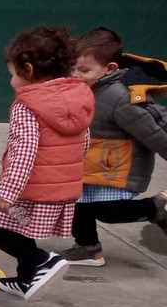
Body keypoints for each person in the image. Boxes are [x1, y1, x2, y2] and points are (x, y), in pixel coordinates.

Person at [0, 25, 94, 299]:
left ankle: (43, 259)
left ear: (28, 70)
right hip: (62, 188)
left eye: (13, 74)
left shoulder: (28, 105)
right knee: (20, 229)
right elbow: (84, 142)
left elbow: (24, 151)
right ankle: (26, 280)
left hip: (32, 189)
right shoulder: (77, 97)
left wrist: (7, 192)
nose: (11, 80)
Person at [59, 27, 167, 266]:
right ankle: (88, 248)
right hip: (87, 163)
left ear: (109, 69)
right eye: (72, 68)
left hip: (116, 168)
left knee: (107, 211)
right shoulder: (82, 88)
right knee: (76, 204)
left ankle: (155, 208)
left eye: (84, 70)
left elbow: (155, 127)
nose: (75, 74)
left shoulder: (123, 97)